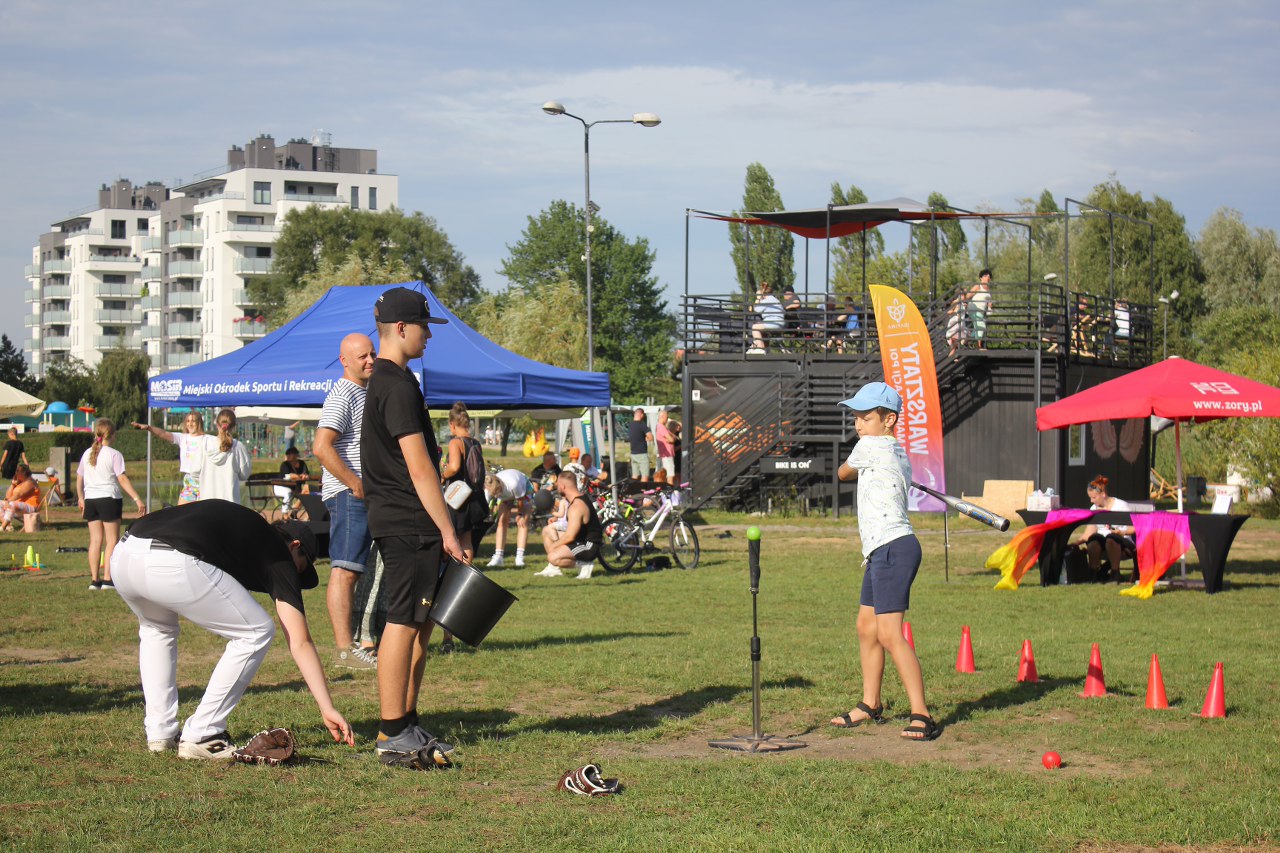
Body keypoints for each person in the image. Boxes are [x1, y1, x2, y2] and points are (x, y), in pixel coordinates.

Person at [110, 501, 355, 758]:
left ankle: (160, 732)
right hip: (169, 558)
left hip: (125, 554)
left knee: (157, 630)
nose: (294, 576)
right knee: (255, 632)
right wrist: (327, 706)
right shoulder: (278, 552)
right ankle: (203, 733)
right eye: (301, 566)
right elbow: (299, 641)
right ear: (295, 546)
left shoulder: (245, 528)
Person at [361, 286, 464, 770]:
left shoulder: (389, 381)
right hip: (409, 522)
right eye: (423, 327)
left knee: (419, 623)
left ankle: (405, 720)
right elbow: (421, 468)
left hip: (404, 520)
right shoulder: (397, 385)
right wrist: (448, 529)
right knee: (402, 623)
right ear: (401, 329)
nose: (428, 336)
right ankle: (391, 732)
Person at [829, 382, 938, 741]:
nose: (858, 423)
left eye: (866, 416)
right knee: (866, 626)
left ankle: (921, 713)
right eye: (855, 416)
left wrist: (857, 465)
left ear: (889, 419)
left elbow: (842, 474)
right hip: (881, 549)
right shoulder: (898, 452)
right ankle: (870, 703)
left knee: (890, 633)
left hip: (894, 546)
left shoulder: (870, 446)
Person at [313, 333, 379, 670]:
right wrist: (356, 484)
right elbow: (321, 446)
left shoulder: (362, 391)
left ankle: (357, 644)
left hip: (358, 494)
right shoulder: (343, 395)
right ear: (344, 361)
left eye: (372, 354)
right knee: (345, 570)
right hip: (348, 495)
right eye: (362, 357)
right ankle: (344, 651)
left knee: (355, 570)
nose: (370, 360)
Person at [76, 418, 146, 591]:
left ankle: (94, 580)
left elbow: (79, 478)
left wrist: (80, 497)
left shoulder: (87, 453)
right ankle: (107, 579)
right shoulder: (114, 454)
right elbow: (121, 478)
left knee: (95, 541)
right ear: (112, 435)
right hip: (109, 498)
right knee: (112, 540)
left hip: (91, 500)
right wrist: (137, 498)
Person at [536, 469, 604, 580]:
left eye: (557, 484)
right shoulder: (575, 499)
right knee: (547, 531)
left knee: (553, 556)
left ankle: (584, 564)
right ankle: (554, 569)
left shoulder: (577, 506)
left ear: (562, 486)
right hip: (579, 539)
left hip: (588, 545)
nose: (556, 487)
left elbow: (570, 536)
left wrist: (554, 546)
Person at [1072, 475, 1136, 583]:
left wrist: (1121, 532)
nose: (1091, 501)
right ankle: (1093, 573)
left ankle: (1115, 574)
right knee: (1093, 539)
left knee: (1111, 538)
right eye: (1090, 498)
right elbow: (1088, 533)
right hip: (1102, 542)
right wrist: (1075, 544)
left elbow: (1134, 528)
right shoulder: (1094, 509)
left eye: (1094, 497)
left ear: (1103, 494)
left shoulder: (1121, 506)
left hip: (1122, 542)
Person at [132, 412, 206, 503]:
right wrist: (149, 428)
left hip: (204, 481)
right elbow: (164, 434)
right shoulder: (183, 438)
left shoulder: (207, 439)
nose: (190, 424)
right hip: (190, 481)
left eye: (193, 421)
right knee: (182, 513)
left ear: (199, 423)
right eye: (188, 421)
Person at [199, 409, 251, 503]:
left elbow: (194, 471)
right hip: (230, 503)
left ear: (216, 424)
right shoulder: (238, 446)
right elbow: (244, 475)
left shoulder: (204, 443)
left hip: (206, 503)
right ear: (234, 426)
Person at [484, 468, 532, 568]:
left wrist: (520, 514)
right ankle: (498, 556)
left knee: (522, 522)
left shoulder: (514, 484)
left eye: (498, 493)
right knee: (501, 522)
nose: (496, 495)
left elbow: (520, 500)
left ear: (500, 486)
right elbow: (488, 505)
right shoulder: (488, 488)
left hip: (523, 489)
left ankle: (519, 557)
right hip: (507, 494)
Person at [272, 446, 311, 519]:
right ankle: (285, 514)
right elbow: (289, 476)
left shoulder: (302, 463)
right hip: (280, 486)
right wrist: (300, 476)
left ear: (295, 455)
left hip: (295, 488)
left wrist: (304, 476)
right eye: (287, 454)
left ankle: (294, 512)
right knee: (288, 493)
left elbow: (306, 474)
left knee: (306, 493)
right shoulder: (285, 464)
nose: (288, 456)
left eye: (290, 454)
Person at [0, 464, 40, 531]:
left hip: (30, 507)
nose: (16, 473)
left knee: (12, 504)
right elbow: (8, 496)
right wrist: (13, 484)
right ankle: (8, 526)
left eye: (18, 471)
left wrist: (8, 501)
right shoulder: (20, 483)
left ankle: (3, 527)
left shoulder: (30, 482)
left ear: (24, 472)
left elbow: (19, 494)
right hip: (18, 506)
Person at [748, 281, 784, 353]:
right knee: (763, 331)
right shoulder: (776, 300)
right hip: (780, 323)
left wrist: (758, 299)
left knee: (755, 327)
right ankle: (766, 348)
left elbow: (754, 309)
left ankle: (761, 348)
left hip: (773, 323)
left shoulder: (766, 301)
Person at [628, 408, 653, 483]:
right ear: (641, 414)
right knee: (645, 476)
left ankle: (633, 491)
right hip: (642, 453)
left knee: (635, 475)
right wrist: (646, 438)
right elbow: (651, 437)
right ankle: (643, 492)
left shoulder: (631, 425)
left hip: (633, 453)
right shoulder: (642, 425)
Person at [655, 410, 675, 480]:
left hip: (667, 454)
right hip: (667, 454)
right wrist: (670, 439)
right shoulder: (661, 427)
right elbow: (672, 439)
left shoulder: (662, 427)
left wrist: (670, 439)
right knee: (670, 475)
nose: (667, 418)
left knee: (668, 474)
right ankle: (670, 489)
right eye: (666, 416)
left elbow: (673, 438)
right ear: (662, 416)